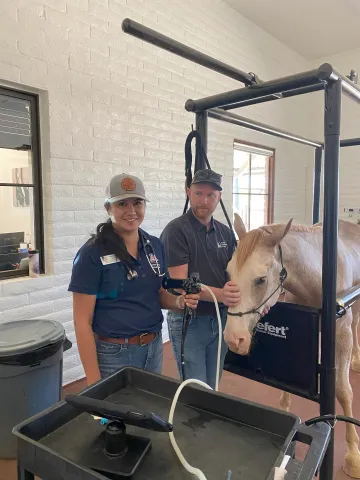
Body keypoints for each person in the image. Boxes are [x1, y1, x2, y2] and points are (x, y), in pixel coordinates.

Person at [68, 173, 199, 386]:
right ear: (108, 208)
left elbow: (156, 294)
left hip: (153, 348)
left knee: (146, 413)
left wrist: (178, 302)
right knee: (115, 417)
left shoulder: (154, 246)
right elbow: (82, 322)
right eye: (122, 204)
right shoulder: (91, 254)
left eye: (137, 203)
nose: (131, 211)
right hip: (114, 355)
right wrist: (94, 384)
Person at [160, 168, 241, 389]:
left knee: (213, 384)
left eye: (210, 195)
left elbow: (235, 275)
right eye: (199, 193)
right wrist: (222, 295)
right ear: (188, 192)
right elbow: (181, 286)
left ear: (219, 197)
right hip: (190, 321)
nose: (204, 200)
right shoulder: (176, 231)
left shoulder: (225, 233)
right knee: (195, 388)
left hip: (221, 318)